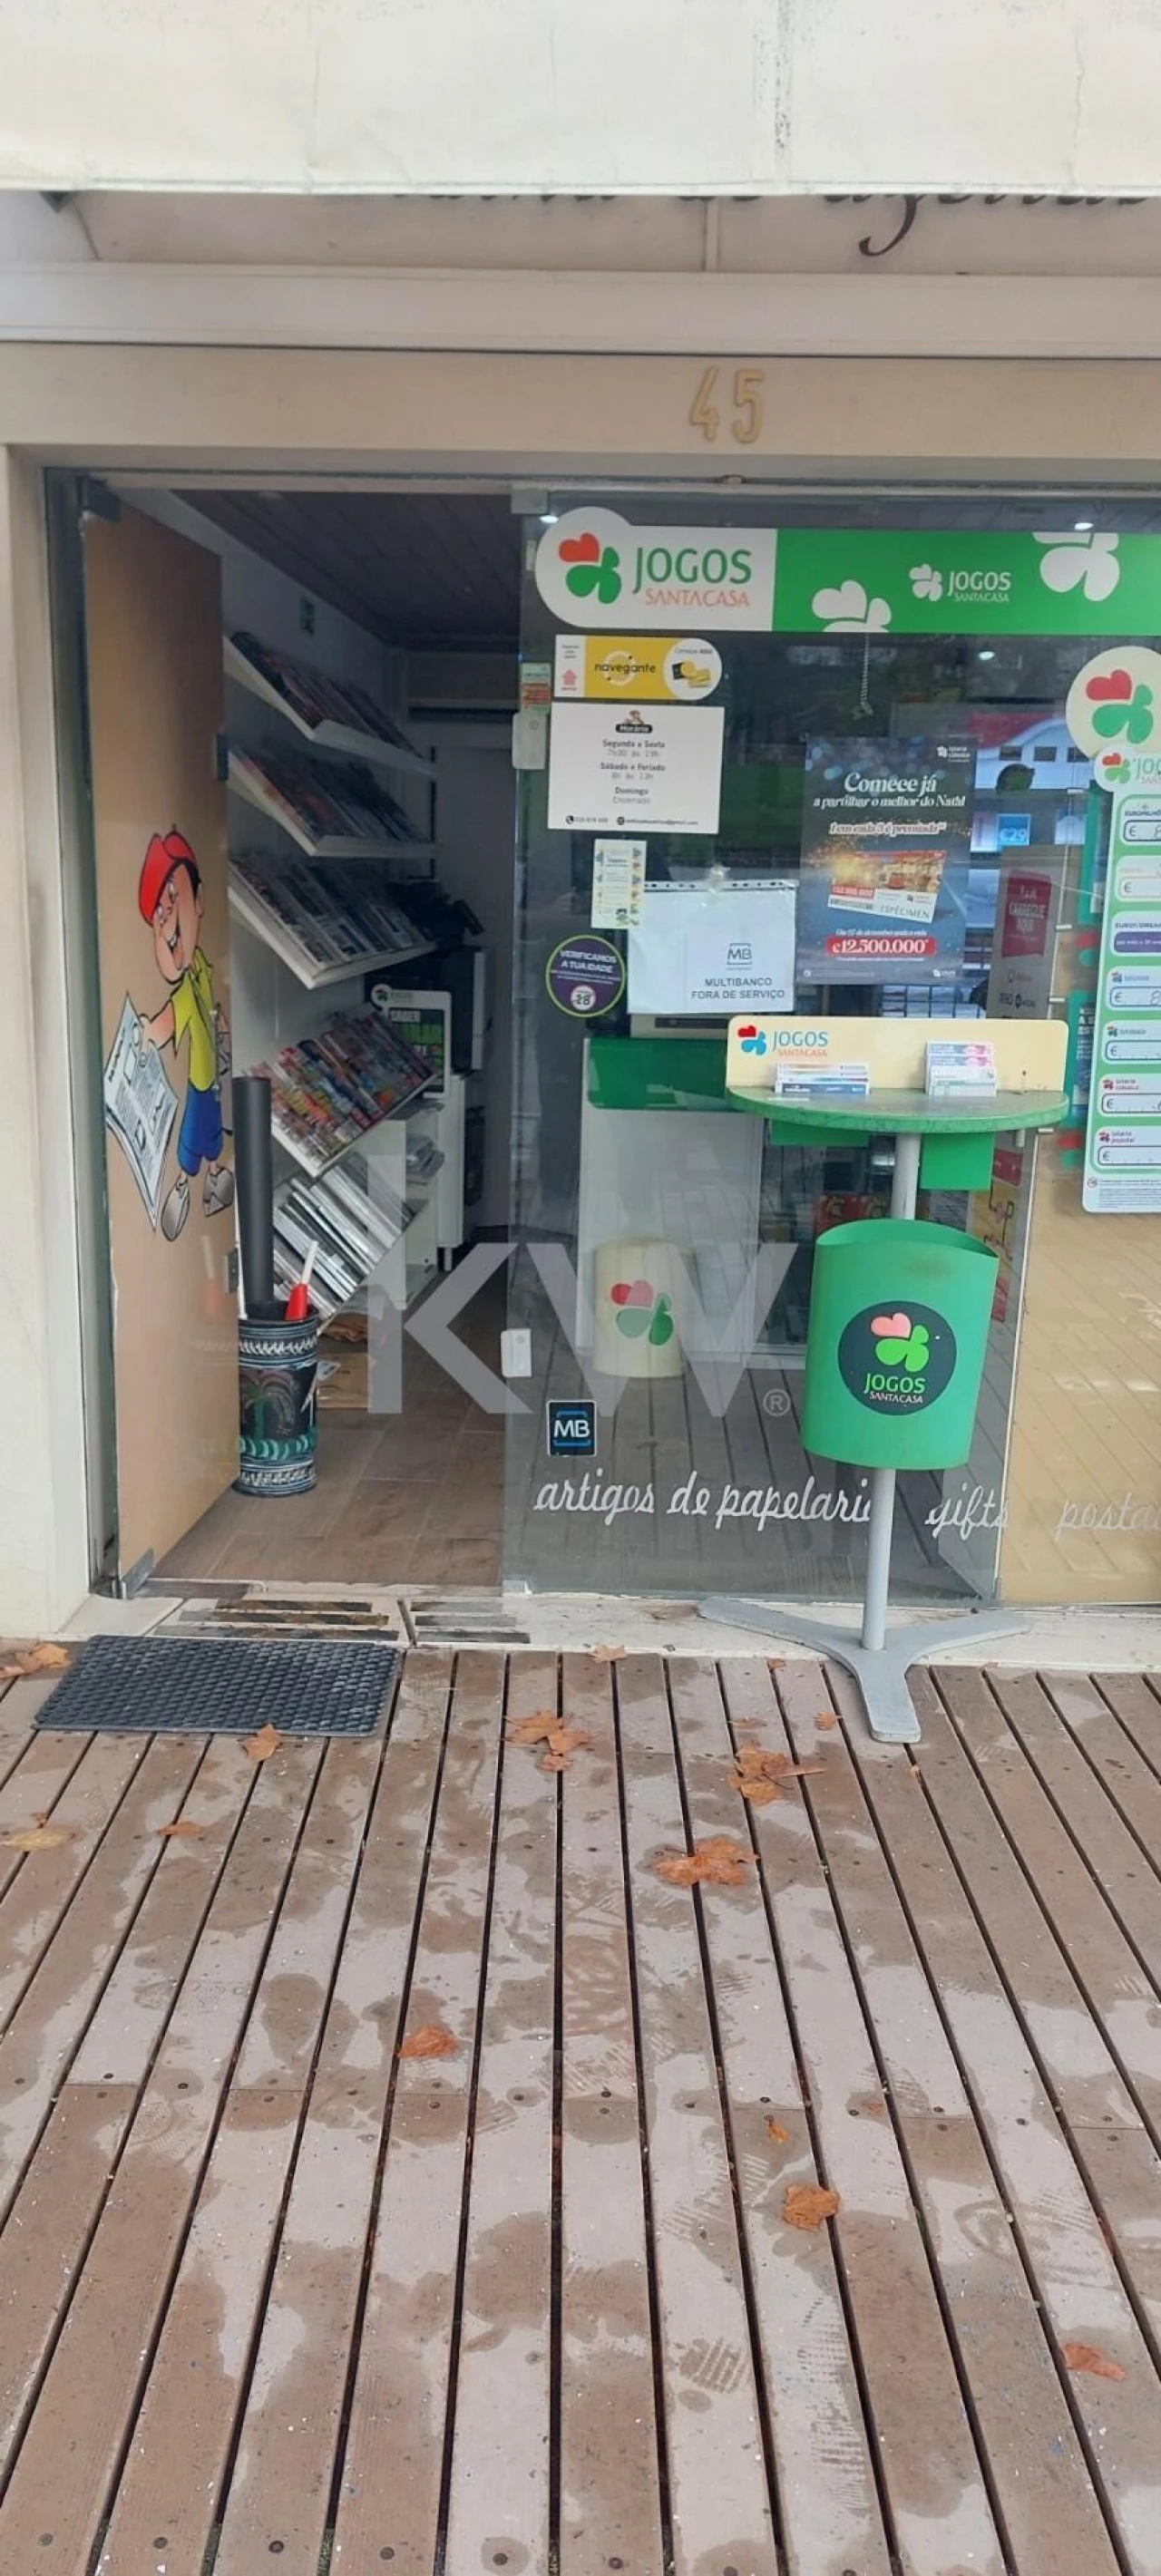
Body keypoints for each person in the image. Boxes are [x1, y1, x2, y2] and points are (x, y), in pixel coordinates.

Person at [138, 828, 235, 1240]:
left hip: (211, 1082)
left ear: (199, 902)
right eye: (161, 919)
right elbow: (172, 1019)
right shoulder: (187, 986)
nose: (169, 924)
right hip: (200, 1084)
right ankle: (183, 1187)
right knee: (193, 1138)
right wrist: (149, 1034)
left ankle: (212, 1178)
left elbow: (211, 1015)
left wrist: (225, 1034)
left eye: (174, 903)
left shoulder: (201, 970)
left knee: (211, 1135)